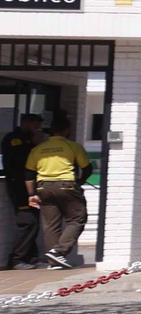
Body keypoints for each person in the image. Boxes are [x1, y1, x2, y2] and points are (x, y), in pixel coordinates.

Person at [25, 112, 91, 270]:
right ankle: (59, 251)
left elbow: (28, 174)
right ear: (67, 130)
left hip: (43, 187)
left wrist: (31, 194)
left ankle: (54, 262)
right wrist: (80, 182)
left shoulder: (38, 149)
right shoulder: (72, 146)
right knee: (77, 218)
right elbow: (87, 168)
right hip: (66, 185)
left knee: (50, 225)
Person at [2, 111, 43, 269]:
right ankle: (17, 258)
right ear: (26, 123)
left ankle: (31, 256)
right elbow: (20, 160)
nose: (37, 128)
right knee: (27, 221)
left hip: (31, 185)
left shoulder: (29, 140)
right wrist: (34, 143)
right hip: (19, 185)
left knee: (34, 221)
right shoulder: (15, 139)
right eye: (35, 125)